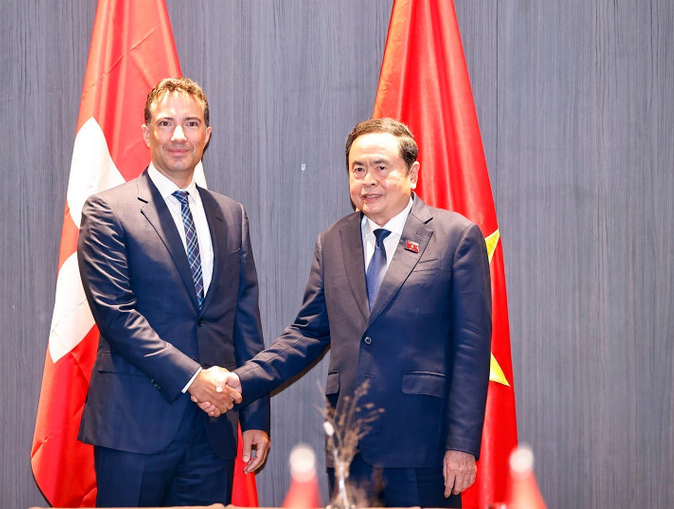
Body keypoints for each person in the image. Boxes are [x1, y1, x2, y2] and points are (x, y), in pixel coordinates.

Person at [213, 118, 491, 507]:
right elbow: (308, 333)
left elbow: (471, 351)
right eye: (358, 169)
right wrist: (240, 381)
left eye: (381, 167)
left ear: (412, 173)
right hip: (350, 449)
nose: (368, 179)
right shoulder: (333, 240)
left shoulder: (455, 237)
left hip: (422, 447)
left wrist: (461, 445)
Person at [76, 77, 270, 507]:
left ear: (207, 134)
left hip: (213, 428)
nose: (179, 136)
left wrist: (255, 414)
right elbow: (117, 317)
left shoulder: (231, 215)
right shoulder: (108, 211)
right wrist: (193, 379)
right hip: (135, 425)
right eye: (165, 123)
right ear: (145, 133)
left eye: (191, 123)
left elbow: (244, 322)